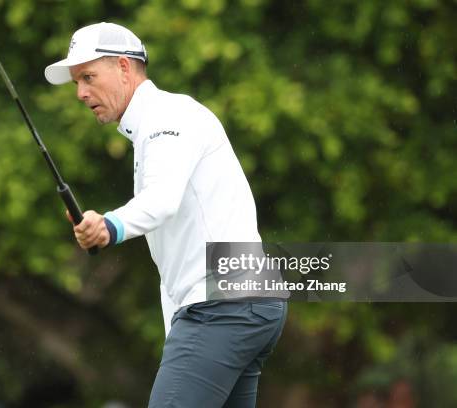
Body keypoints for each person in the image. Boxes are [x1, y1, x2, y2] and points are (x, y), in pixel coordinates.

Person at [45, 22, 287, 407]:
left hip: (224, 306)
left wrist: (110, 225)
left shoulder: (166, 117)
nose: (80, 93)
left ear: (124, 68)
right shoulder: (151, 128)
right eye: (76, 82)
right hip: (240, 302)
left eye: (88, 77)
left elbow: (161, 200)